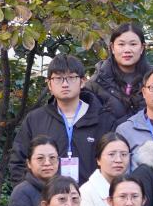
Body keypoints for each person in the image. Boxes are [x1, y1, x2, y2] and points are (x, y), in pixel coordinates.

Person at [9, 54, 113, 185]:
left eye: (71, 77)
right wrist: (34, 194)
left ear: (82, 81)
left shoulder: (103, 119)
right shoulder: (35, 120)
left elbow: (115, 164)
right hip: (46, 196)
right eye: (58, 78)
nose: (65, 84)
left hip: (93, 196)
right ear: (49, 84)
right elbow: (18, 162)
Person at [87, 23, 151, 126]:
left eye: (133, 44)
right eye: (121, 44)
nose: (127, 50)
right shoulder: (97, 82)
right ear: (112, 48)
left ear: (142, 48)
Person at [74, 133, 132, 206]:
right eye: (111, 154)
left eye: (124, 154)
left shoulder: (133, 188)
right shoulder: (86, 193)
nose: (118, 160)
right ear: (98, 160)